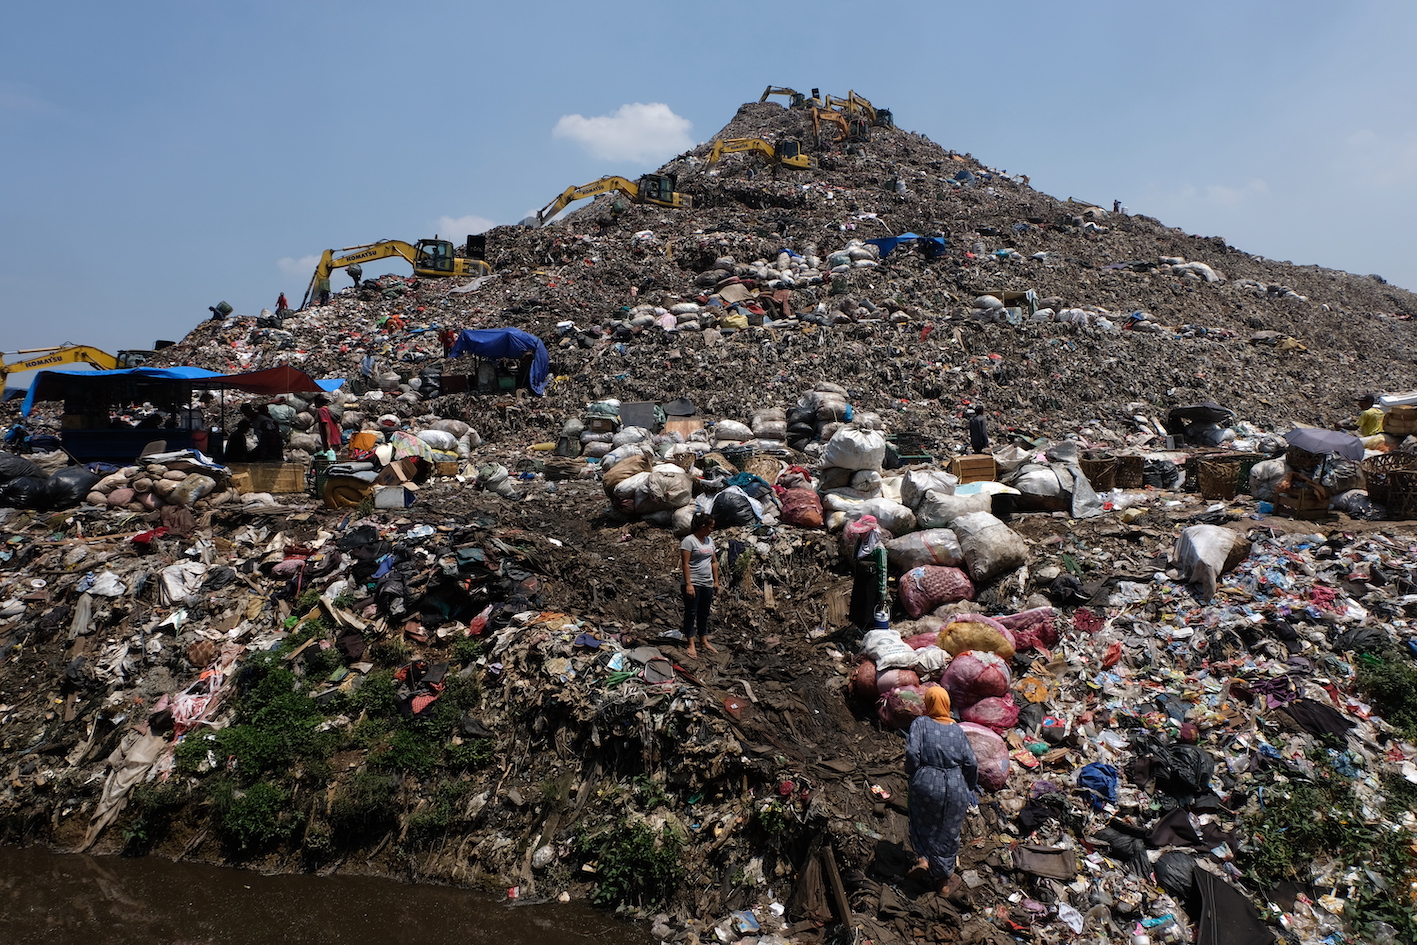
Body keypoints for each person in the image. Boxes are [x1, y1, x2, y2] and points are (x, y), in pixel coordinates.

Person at [906, 686, 978, 895]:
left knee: (921, 821)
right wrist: (969, 786)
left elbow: (912, 753)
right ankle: (943, 883)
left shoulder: (920, 723)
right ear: (947, 704)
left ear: (928, 703)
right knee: (949, 831)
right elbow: (971, 763)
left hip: (927, 781)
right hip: (956, 785)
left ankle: (923, 860)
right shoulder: (957, 730)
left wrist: (913, 773)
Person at [679, 512, 721, 658]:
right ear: (703, 526)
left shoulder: (709, 541)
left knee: (704, 612)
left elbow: (714, 561)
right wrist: (689, 584)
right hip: (693, 583)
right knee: (691, 612)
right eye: (711, 527)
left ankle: (703, 640)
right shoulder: (689, 541)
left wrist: (715, 581)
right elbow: (685, 564)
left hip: (707, 583)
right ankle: (691, 643)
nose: (712, 530)